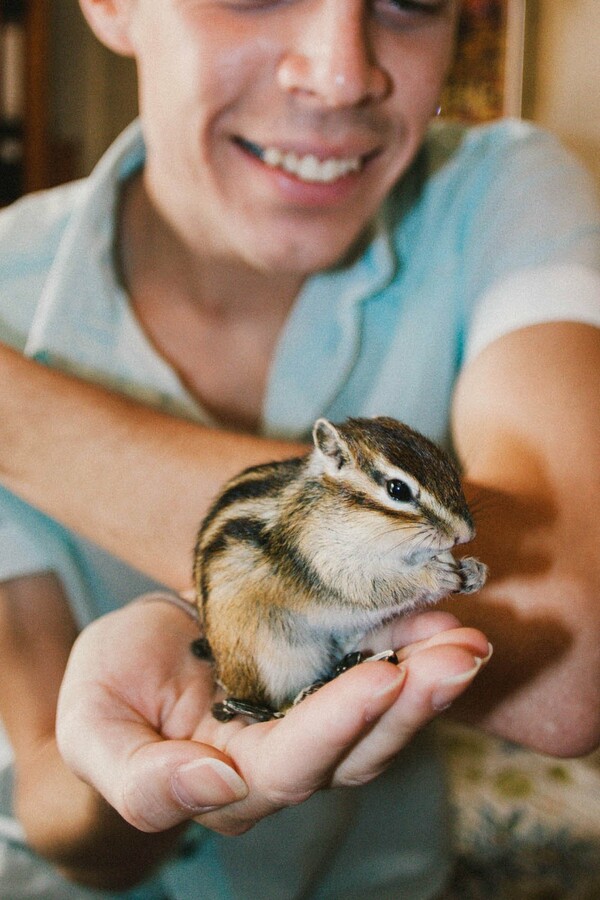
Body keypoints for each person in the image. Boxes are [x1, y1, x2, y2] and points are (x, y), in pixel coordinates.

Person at [0, 0, 599, 897]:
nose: (341, 73)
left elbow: (575, 656)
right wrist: (149, 775)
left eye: (413, 1)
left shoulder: (502, 186)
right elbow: (55, 806)